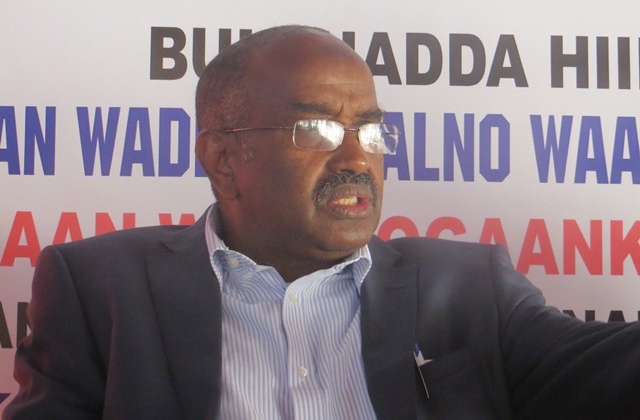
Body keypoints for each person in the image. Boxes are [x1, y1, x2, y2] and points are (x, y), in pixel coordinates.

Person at [4, 25, 640, 420]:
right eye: (317, 129)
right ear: (224, 160)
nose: (357, 159)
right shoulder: (97, 289)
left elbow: (612, 373)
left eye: (369, 129)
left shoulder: (472, 287)